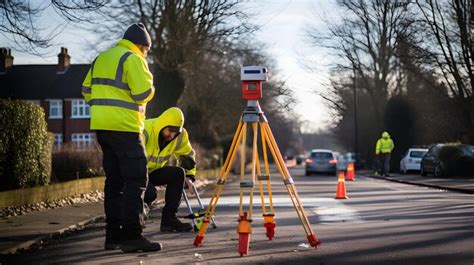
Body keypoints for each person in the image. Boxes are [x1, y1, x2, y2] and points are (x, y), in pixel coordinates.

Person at [82, 23, 162, 252]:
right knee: (136, 180)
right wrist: (150, 81)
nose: (146, 54)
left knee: (114, 182)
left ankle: (113, 237)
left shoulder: (101, 58)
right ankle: (132, 236)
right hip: (126, 128)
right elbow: (143, 94)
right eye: (146, 50)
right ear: (141, 45)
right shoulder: (133, 58)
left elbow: (86, 90)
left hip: (103, 129)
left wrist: (103, 108)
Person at [142, 107, 196, 232]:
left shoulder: (180, 135)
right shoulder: (145, 130)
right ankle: (128, 215)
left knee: (178, 174)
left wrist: (189, 176)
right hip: (135, 172)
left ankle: (169, 220)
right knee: (150, 194)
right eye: (170, 131)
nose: (172, 136)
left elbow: (187, 155)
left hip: (153, 172)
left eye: (176, 132)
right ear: (163, 125)